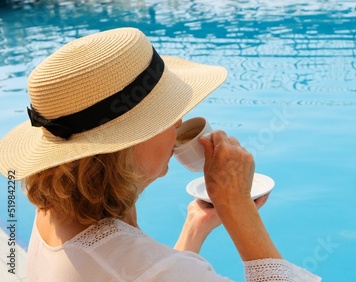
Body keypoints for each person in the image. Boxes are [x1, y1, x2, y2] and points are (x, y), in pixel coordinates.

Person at [0, 27, 321, 281]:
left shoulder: (54, 214)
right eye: (166, 114)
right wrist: (239, 210)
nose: (179, 122)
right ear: (125, 143)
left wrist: (195, 226)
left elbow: (139, 268)